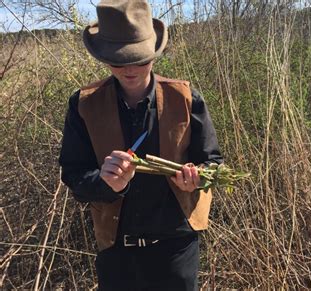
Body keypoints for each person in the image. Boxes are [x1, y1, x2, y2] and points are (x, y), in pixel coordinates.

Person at [58, 1, 222, 290]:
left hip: (177, 249)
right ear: (104, 57)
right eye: (119, 60)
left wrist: (195, 180)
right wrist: (105, 182)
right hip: (116, 252)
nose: (130, 69)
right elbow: (73, 176)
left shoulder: (186, 98)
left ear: (154, 54)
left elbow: (213, 164)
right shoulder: (84, 104)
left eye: (140, 59)